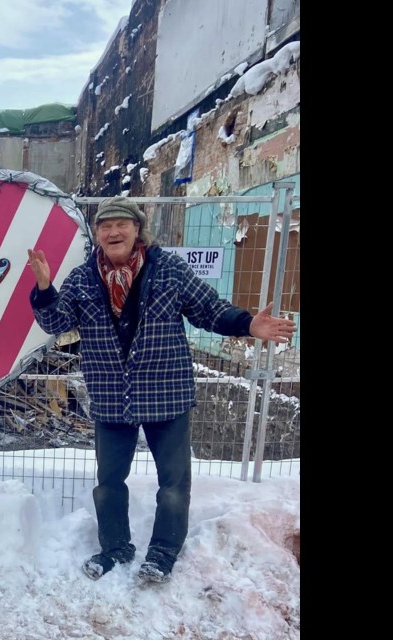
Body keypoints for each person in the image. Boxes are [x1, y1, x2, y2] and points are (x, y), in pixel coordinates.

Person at [26, 196, 296, 584]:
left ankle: (163, 552)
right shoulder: (83, 277)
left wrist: (249, 324)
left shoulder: (168, 269)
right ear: (97, 234)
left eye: (122, 224)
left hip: (167, 394)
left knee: (173, 483)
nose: (113, 232)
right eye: (105, 226)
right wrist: (44, 287)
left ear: (137, 230)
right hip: (110, 398)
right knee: (107, 484)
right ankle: (115, 547)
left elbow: (209, 309)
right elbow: (57, 321)